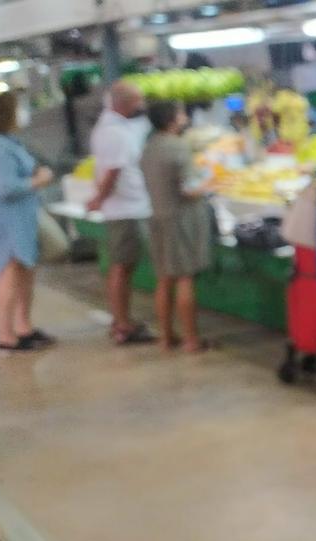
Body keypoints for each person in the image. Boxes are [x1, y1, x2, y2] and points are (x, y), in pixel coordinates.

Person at [0, 92, 58, 353]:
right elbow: (6, 187)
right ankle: (7, 334)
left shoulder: (3, 142)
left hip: (17, 214)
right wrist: (39, 180)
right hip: (4, 215)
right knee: (10, 271)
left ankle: (23, 327)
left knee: (23, 270)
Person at [86, 80, 155, 345]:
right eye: (138, 100)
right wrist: (98, 199)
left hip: (127, 206)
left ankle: (122, 320)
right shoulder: (113, 132)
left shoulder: (116, 127)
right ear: (124, 103)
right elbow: (112, 172)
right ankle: (122, 324)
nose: (142, 105)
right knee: (121, 267)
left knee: (124, 266)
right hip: (125, 209)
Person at [142, 101, 213, 353]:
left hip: (157, 216)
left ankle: (165, 337)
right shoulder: (178, 147)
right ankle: (191, 339)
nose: (184, 117)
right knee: (184, 277)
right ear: (172, 120)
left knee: (164, 278)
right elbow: (188, 189)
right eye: (181, 113)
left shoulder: (149, 146)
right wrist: (208, 184)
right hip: (180, 219)